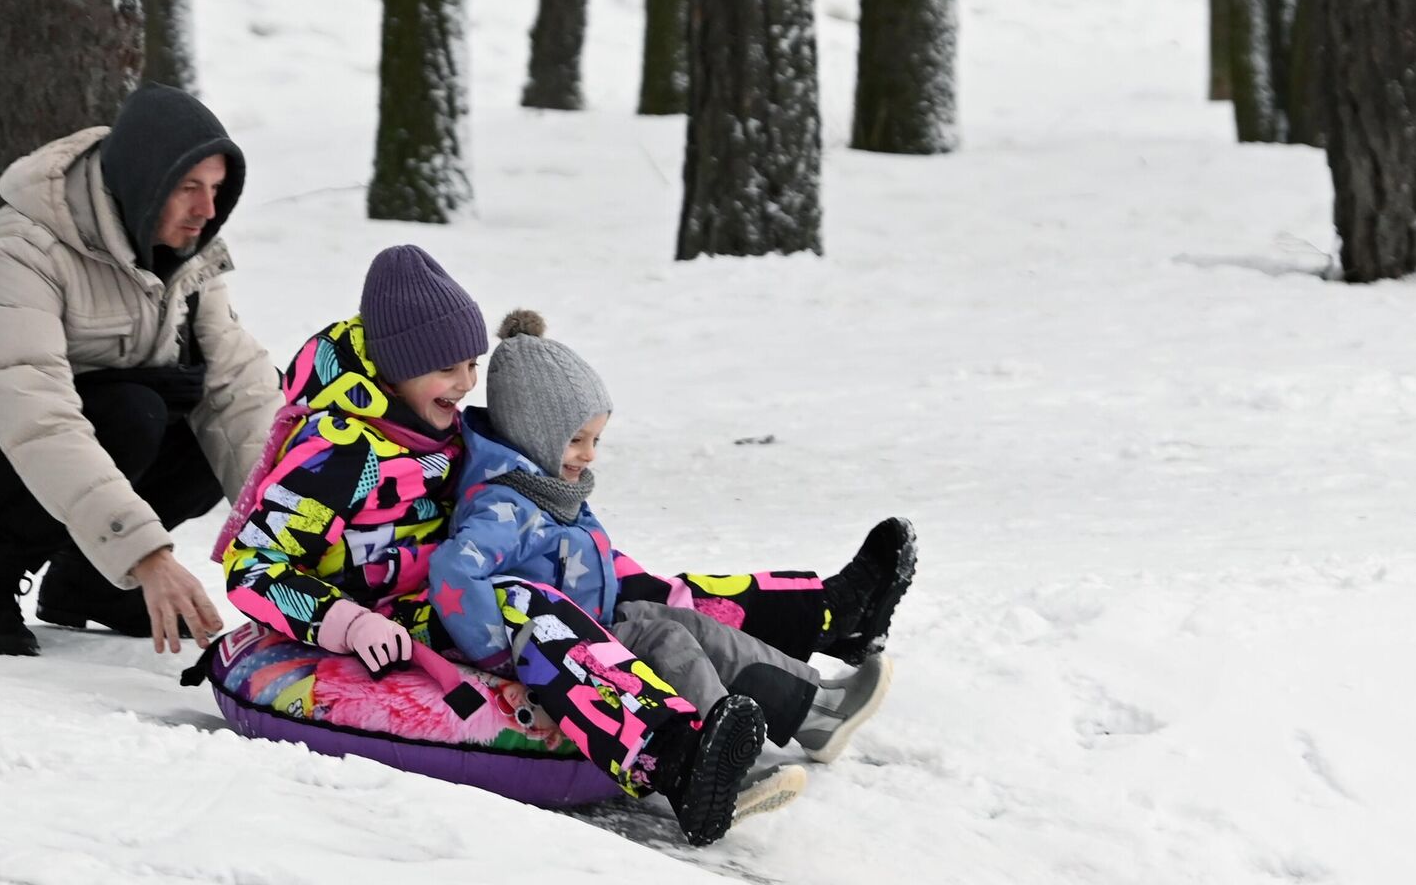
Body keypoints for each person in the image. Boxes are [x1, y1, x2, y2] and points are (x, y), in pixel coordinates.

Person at [218, 246, 917, 844]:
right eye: (449, 368)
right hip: (406, 616)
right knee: (534, 604)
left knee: (627, 584)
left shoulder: (439, 423)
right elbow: (256, 566)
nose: (466, 383)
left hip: (476, 576)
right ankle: (676, 756)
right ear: (400, 364)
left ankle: (828, 613)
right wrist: (347, 619)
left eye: (472, 363)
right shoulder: (340, 453)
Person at [0, 85, 280, 657]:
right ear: (143, 181)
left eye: (217, 189)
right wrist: (147, 554)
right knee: (132, 413)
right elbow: (37, 418)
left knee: (210, 418)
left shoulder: (188, 256)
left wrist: (291, 541)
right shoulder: (20, 251)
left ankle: (89, 583)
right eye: (189, 188)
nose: (207, 210)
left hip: (81, 440)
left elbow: (241, 396)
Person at [428, 309, 896, 786]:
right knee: (670, 641)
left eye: (596, 440)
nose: (588, 455)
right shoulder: (505, 505)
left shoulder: (551, 487)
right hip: (562, 655)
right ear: (533, 433)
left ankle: (817, 710)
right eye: (575, 440)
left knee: (688, 625)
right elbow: (454, 572)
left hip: (599, 625)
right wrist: (499, 656)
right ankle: (719, 754)